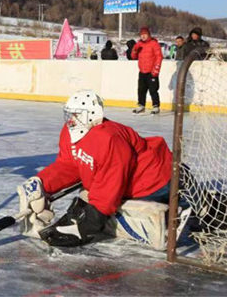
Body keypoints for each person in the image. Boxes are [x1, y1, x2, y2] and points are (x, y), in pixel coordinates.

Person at [17, 90, 172, 248]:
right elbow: (69, 164)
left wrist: (90, 222)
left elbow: (111, 181)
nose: (71, 120)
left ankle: (184, 202)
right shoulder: (70, 132)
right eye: (69, 114)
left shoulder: (108, 139)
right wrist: (42, 184)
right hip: (126, 180)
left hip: (153, 181)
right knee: (84, 203)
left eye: (77, 114)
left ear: (92, 115)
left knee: (102, 210)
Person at [131, 27, 162, 115]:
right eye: (141, 35)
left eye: (145, 34)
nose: (143, 36)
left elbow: (159, 57)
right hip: (142, 71)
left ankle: (156, 106)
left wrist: (156, 69)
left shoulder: (154, 44)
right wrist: (135, 48)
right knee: (141, 89)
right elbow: (133, 57)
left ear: (148, 35)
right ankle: (141, 105)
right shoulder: (139, 44)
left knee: (153, 90)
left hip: (152, 71)